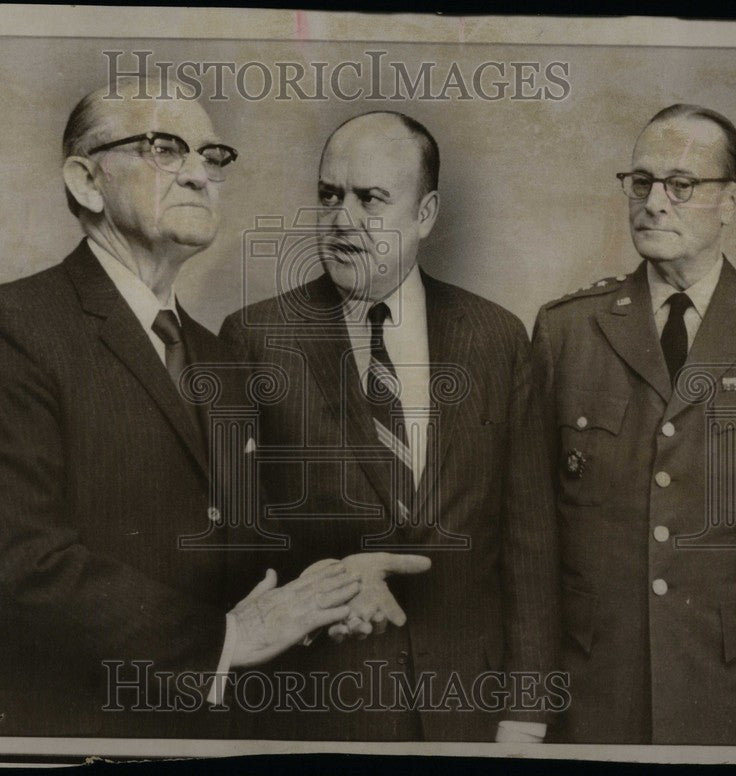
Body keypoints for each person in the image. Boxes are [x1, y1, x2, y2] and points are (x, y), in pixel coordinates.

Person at [0, 79, 370, 738]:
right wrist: (224, 639)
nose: (199, 175)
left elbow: (243, 544)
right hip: (75, 733)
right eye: (165, 148)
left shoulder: (217, 357)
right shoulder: (9, 327)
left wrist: (342, 584)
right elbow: (21, 566)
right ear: (87, 180)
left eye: (212, 158)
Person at [220, 111, 560, 742]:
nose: (342, 219)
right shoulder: (257, 338)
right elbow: (237, 540)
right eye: (329, 196)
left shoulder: (497, 338)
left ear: (425, 213)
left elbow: (530, 542)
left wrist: (528, 710)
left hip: (472, 707)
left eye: (370, 198)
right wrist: (338, 585)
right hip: (318, 706)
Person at [532, 104, 736, 746]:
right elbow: (534, 539)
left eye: (681, 185)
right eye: (642, 182)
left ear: (732, 200)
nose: (655, 203)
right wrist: (528, 701)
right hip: (594, 694)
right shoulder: (567, 331)